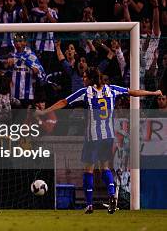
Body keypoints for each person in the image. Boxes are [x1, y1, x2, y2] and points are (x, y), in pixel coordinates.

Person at [38, 67, 162, 214]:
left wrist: (45, 111)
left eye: (84, 77)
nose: (83, 79)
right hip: (108, 136)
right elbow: (133, 92)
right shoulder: (112, 89)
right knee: (105, 167)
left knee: (88, 169)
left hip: (93, 137)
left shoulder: (86, 92)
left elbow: (64, 102)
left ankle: (89, 204)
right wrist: (153, 93)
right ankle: (111, 195)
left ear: (90, 79)